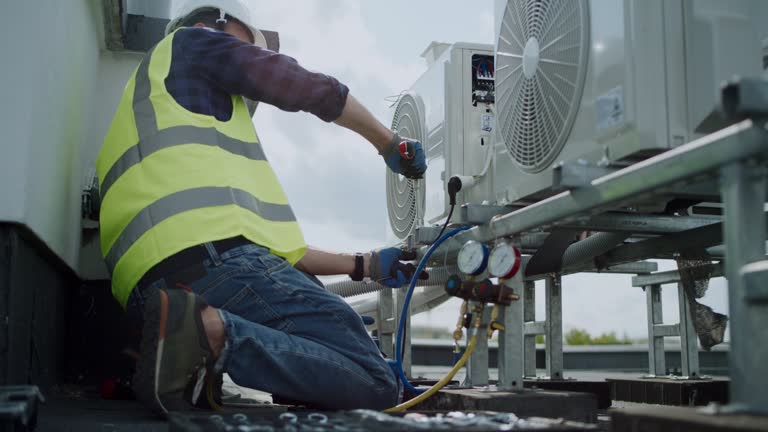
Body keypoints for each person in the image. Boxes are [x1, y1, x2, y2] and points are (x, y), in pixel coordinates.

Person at [95, 0, 427, 417]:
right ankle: (210, 332)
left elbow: (279, 252)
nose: (254, 55)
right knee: (376, 380)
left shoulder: (158, 116)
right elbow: (302, 85)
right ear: (215, 22)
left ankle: (190, 334)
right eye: (249, 42)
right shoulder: (195, 41)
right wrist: (386, 141)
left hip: (150, 298)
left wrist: (365, 264)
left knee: (340, 359)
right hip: (213, 267)